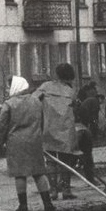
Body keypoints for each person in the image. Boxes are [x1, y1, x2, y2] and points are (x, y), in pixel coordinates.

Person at [0, 76, 54, 211]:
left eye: (9, 86)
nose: (7, 89)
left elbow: (2, 126)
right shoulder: (36, 101)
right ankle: (48, 203)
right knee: (39, 172)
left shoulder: (9, 104)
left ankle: (23, 205)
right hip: (35, 140)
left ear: (16, 87)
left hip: (16, 142)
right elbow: (43, 121)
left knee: (20, 174)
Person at [36, 63, 79, 200]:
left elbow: (33, 100)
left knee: (50, 161)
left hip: (49, 128)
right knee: (66, 159)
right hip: (66, 130)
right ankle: (66, 190)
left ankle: (53, 190)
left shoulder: (46, 87)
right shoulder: (70, 91)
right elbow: (76, 108)